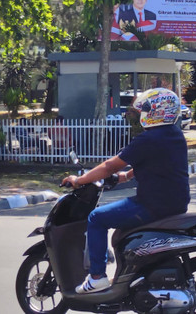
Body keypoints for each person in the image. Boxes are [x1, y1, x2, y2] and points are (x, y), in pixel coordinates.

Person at [61, 88, 189, 294]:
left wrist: (80, 180)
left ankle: (97, 277)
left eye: (145, 110)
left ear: (157, 111)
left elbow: (110, 166)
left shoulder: (150, 138)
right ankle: (129, 276)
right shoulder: (174, 134)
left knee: (96, 218)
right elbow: (158, 164)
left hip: (152, 205)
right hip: (175, 202)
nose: (142, 115)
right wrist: (126, 177)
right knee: (120, 231)